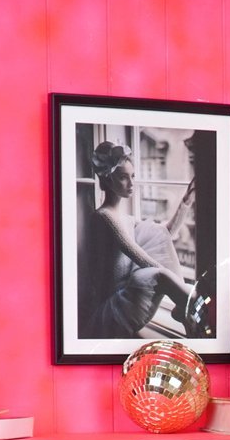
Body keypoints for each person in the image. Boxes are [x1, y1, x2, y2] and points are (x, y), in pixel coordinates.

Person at [82, 140, 195, 338]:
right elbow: (137, 254)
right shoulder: (103, 216)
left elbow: (165, 233)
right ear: (108, 180)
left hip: (130, 294)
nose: (131, 183)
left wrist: (186, 201)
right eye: (123, 178)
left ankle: (187, 308)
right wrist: (173, 283)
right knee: (160, 275)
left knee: (157, 236)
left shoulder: (125, 218)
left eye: (133, 176)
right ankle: (193, 306)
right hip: (116, 306)